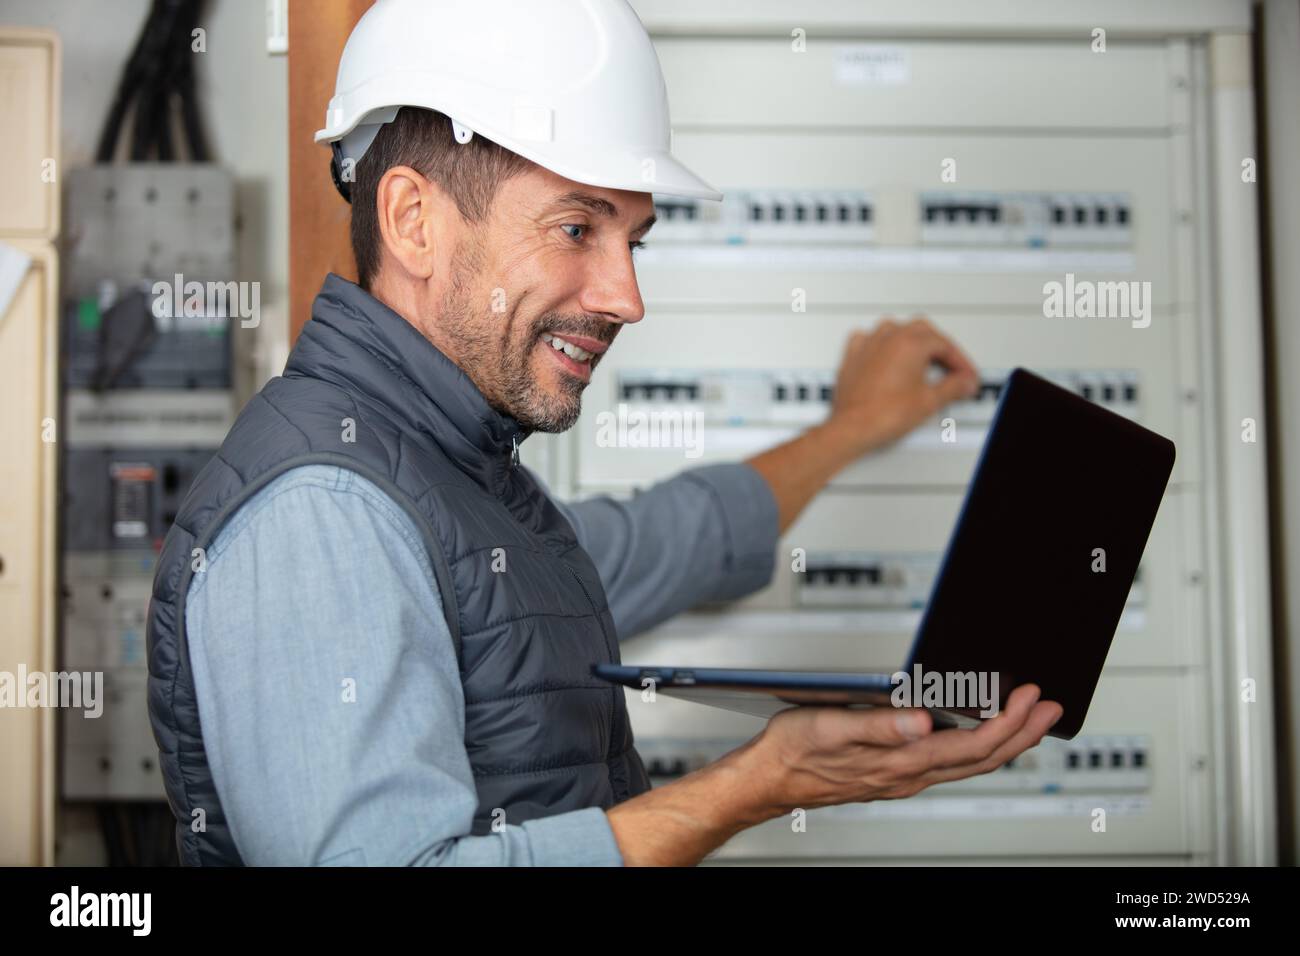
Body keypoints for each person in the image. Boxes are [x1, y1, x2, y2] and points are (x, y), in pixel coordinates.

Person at [147, 0, 1062, 866]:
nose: (626, 298)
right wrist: (752, 786)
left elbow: (673, 538)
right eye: (577, 226)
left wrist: (853, 428)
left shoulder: (460, 482)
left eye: (635, 239)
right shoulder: (326, 510)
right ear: (413, 222)